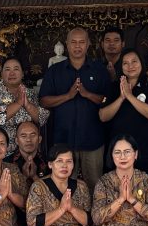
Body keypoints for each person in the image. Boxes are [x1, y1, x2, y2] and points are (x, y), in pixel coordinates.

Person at [39, 27, 110, 190]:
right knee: (64, 186)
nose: (77, 46)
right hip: (63, 140)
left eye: (82, 42)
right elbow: (43, 101)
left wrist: (87, 94)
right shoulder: (55, 71)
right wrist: (67, 96)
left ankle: (94, 216)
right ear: (67, 44)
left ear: (88, 44)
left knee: (95, 186)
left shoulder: (99, 70)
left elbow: (108, 99)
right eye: (73, 42)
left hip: (92, 140)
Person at [99, 48, 148, 176]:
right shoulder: (114, 87)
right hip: (120, 152)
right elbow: (103, 116)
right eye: (126, 63)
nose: (130, 66)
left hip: (146, 150)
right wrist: (121, 98)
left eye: (134, 61)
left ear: (141, 63)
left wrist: (130, 96)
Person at [0, 56, 49, 156]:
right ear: (2, 74)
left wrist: (27, 105)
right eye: (7, 69)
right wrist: (18, 103)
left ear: (22, 73)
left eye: (16, 69)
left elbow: (41, 119)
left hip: (27, 152)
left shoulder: (30, 93)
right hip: (3, 152)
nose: (12, 73)